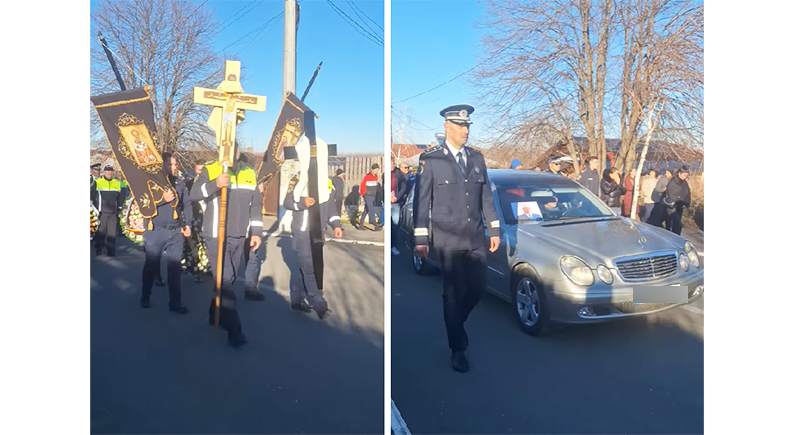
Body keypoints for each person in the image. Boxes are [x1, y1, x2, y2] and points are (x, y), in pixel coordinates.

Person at [412, 104, 501, 374]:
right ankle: (457, 348)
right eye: (460, 125)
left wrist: (493, 229)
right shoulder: (431, 159)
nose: (465, 130)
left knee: (478, 289)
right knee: (452, 295)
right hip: (447, 237)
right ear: (446, 127)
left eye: (468, 126)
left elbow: (485, 196)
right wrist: (421, 238)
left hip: (474, 235)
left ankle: (456, 323)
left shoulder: (476, 158)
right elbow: (422, 200)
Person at [189, 149, 263, 348]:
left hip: (239, 236)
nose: (231, 151)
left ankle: (215, 312)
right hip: (216, 235)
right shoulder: (212, 169)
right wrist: (216, 184)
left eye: (234, 148)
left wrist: (256, 232)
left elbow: (255, 205)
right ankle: (234, 330)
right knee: (225, 280)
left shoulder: (248, 172)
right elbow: (194, 194)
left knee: (227, 279)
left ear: (237, 151)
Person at [283, 173, 344, 318]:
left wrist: (336, 225)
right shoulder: (298, 179)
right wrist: (302, 203)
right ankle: (318, 303)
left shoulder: (327, 182)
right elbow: (287, 202)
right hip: (302, 232)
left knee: (306, 267)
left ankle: (297, 300)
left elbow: (330, 207)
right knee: (309, 267)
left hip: (318, 232)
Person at [140, 154, 193, 313]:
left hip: (176, 231)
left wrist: (188, 224)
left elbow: (187, 205)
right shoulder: (151, 183)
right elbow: (143, 203)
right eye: (170, 164)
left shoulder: (179, 183)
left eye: (175, 164)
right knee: (151, 265)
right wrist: (162, 199)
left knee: (175, 268)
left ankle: (175, 303)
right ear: (162, 165)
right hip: (155, 231)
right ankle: (145, 296)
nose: (174, 167)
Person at [92, 165, 124, 256]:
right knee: (101, 231)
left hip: (113, 212)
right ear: (104, 172)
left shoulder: (117, 183)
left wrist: (120, 209)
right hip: (102, 211)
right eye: (107, 171)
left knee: (112, 232)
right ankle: (99, 248)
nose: (109, 173)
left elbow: (120, 198)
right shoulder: (98, 182)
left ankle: (111, 250)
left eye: (111, 171)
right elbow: (93, 196)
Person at [662, 166, 692, 235]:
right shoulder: (672, 183)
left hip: (680, 206)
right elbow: (672, 196)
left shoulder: (684, 183)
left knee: (676, 225)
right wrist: (680, 200)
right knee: (677, 223)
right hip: (672, 206)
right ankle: (673, 237)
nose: (685, 177)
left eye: (686, 176)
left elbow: (687, 193)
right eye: (684, 175)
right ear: (679, 174)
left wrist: (687, 203)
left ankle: (675, 237)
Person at [358, 163, 381, 230]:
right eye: (375, 170)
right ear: (372, 170)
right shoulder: (367, 177)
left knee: (366, 209)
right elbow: (362, 186)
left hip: (373, 195)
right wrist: (363, 194)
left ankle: (361, 224)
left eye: (377, 170)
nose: (376, 171)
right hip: (368, 195)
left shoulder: (375, 177)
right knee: (371, 209)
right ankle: (374, 223)